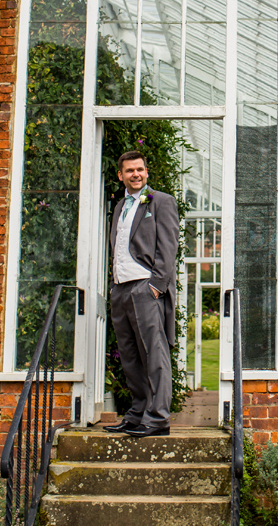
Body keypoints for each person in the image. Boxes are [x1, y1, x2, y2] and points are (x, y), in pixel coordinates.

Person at [104, 150, 179, 438]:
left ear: (146, 172)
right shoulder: (120, 205)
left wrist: (157, 284)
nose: (136, 174)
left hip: (145, 286)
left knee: (154, 353)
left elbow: (168, 246)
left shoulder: (161, 201)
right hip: (121, 288)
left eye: (140, 169)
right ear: (121, 175)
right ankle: (137, 413)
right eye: (130, 171)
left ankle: (158, 417)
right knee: (130, 355)